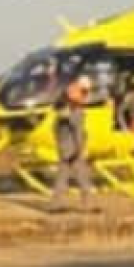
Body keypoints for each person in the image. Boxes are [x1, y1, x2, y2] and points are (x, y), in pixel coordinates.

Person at [49, 76, 96, 213]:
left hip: (65, 148)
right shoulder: (75, 112)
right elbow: (78, 132)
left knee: (63, 176)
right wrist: (81, 149)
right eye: (85, 92)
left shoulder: (63, 112)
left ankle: (55, 205)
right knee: (82, 176)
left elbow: (57, 131)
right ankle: (86, 206)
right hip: (73, 150)